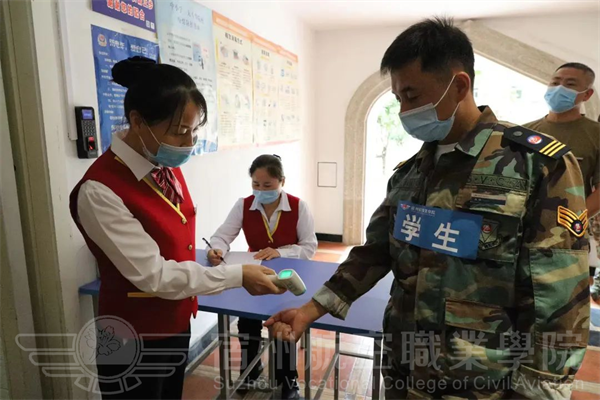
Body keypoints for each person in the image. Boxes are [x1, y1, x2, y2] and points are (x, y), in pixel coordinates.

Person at [265, 18, 590, 399]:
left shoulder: (537, 166)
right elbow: (374, 253)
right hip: (404, 370)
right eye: (398, 99)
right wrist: (310, 310)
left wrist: (538, 390)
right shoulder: (411, 173)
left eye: (412, 95)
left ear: (459, 85)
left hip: (481, 384)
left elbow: (560, 297)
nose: (404, 110)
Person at [69, 57, 284, 400]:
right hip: (131, 337)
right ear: (138, 122)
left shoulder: (163, 164)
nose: (189, 142)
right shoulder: (99, 190)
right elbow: (154, 275)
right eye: (179, 131)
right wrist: (237, 275)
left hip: (175, 323)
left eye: (194, 130)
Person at [207, 154, 317, 400]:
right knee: (247, 322)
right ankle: (250, 368)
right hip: (255, 275)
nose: (261, 190)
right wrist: (216, 250)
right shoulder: (244, 205)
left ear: (282, 182)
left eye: (267, 185)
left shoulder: (298, 206)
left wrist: (281, 252)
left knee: (283, 325)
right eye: (256, 184)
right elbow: (222, 236)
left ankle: (288, 380)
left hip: (287, 277)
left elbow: (309, 247)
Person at [523, 63, 600, 296]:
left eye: (570, 84)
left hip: (566, 242)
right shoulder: (525, 132)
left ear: (587, 94)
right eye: (555, 82)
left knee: (560, 304)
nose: (559, 88)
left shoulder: (595, 134)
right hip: (520, 234)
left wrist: (570, 222)